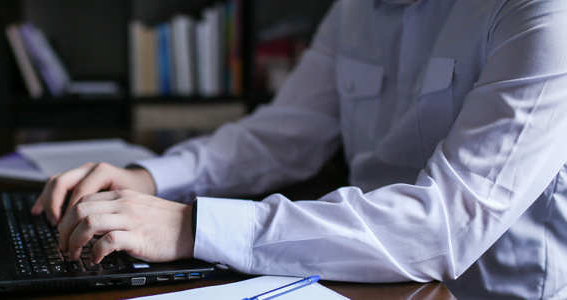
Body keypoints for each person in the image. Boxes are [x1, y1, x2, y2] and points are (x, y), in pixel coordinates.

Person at [32, 0, 567, 298]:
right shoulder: (352, 11)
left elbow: (442, 227)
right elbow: (281, 134)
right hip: (356, 276)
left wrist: (188, 226)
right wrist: (149, 180)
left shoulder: (541, 13)